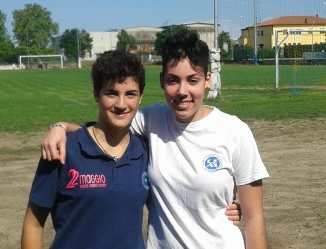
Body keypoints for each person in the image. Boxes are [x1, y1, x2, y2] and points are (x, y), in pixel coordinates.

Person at [42, 30, 268, 248]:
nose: (182, 91)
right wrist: (59, 126)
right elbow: (104, 127)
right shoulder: (150, 120)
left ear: (207, 80)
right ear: (161, 81)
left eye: (192, 80)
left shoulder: (235, 131)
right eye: (173, 80)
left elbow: (254, 217)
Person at [21, 50, 149, 249]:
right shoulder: (63, 149)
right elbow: (34, 223)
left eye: (130, 94)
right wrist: (60, 126)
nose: (121, 104)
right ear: (96, 95)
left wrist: (62, 124)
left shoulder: (144, 150)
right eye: (111, 93)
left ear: (140, 97)